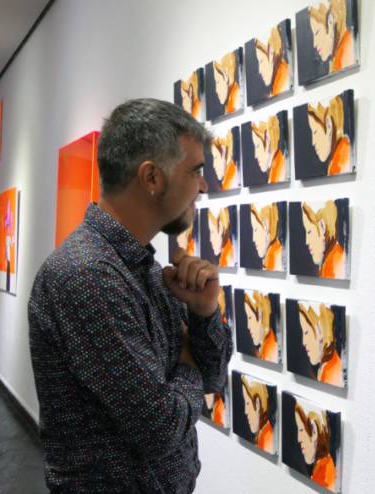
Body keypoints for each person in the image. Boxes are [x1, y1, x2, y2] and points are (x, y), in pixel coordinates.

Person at [28, 98, 233, 493]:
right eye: (195, 171)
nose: (204, 186)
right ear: (152, 177)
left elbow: (213, 378)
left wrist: (204, 313)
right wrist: (187, 361)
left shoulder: (147, 271)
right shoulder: (88, 275)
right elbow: (161, 428)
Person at [298, 302, 342, 386]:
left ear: (320, 328)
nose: (304, 342)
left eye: (306, 332)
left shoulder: (331, 372)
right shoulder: (327, 367)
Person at [295, 402, 336, 490]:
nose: (298, 439)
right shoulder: (323, 467)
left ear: (314, 432)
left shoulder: (323, 474)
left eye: (301, 430)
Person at [307, 94, 351, 176]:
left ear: (329, 126)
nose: (313, 142)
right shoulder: (343, 152)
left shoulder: (337, 166)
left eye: (315, 132)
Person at [301, 200, 346, 278]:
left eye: (309, 232)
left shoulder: (334, 263)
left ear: (322, 227)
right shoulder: (332, 259)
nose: (306, 241)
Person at [308, 0, 354, 73]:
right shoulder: (338, 57)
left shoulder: (342, 59)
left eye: (317, 33)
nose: (314, 44)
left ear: (330, 22)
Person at [241, 375, 274, 453]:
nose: (245, 411)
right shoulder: (262, 434)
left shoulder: (266, 437)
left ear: (257, 404)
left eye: (247, 403)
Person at [255, 25, 290, 98]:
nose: (259, 71)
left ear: (271, 52)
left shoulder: (283, 80)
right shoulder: (276, 86)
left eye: (261, 61)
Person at [244, 290, 278, 362]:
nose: (248, 326)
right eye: (246, 319)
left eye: (250, 318)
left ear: (259, 315)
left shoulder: (270, 346)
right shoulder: (260, 347)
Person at [250, 115, 286, 183]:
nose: (256, 155)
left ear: (268, 139)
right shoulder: (275, 168)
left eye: (257, 146)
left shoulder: (277, 173)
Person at [249, 203, 283, 271]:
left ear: (266, 226)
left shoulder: (276, 259)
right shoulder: (269, 259)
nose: (253, 239)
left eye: (255, 230)